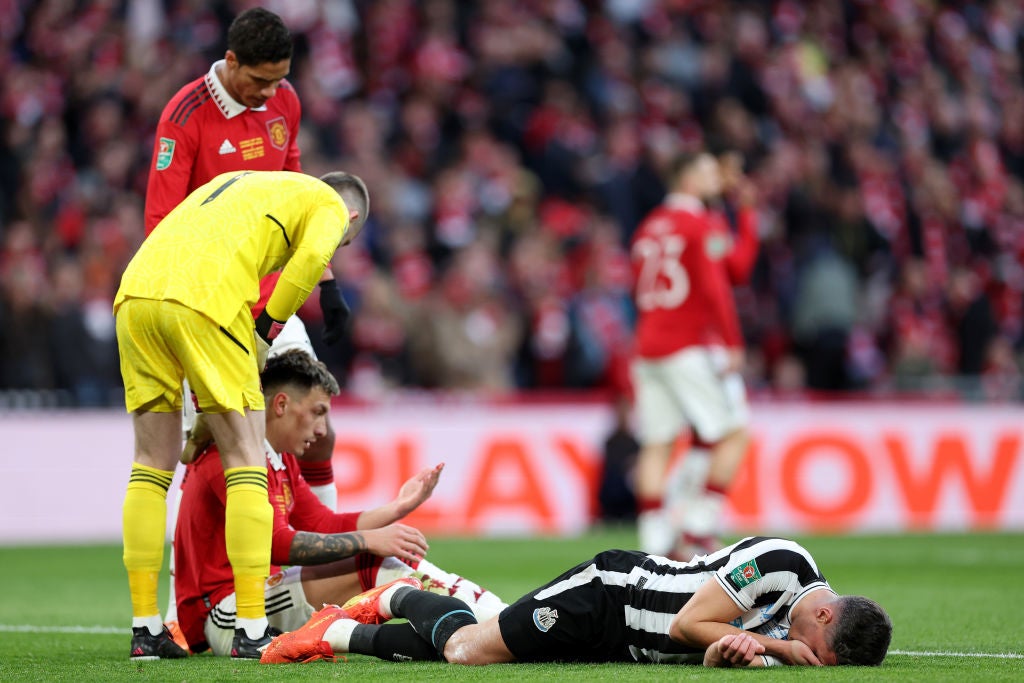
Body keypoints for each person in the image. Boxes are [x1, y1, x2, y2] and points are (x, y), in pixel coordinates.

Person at [114, 169, 369, 659]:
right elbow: (313, 255)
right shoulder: (329, 203)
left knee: (151, 462)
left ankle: (146, 628)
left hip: (136, 294)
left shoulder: (243, 182)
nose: (338, 247)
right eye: (346, 240)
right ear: (350, 216)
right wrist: (267, 328)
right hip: (208, 301)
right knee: (247, 459)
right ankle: (252, 628)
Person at [173, 349, 506, 655]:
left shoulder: (276, 458)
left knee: (379, 560)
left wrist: (398, 507)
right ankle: (504, 625)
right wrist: (369, 541)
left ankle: (496, 622)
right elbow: (273, 543)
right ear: (281, 405)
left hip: (257, 604)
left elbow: (321, 524)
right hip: (229, 616)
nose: (321, 430)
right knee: (374, 562)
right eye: (318, 412)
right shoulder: (228, 457)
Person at [145, 5, 347, 509]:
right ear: (231, 61)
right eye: (260, 80)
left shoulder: (285, 103)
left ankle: (324, 563)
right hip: (210, 311)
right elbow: (161, 226)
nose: (269, 93)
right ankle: (189, 588)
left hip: (272, 301)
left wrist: (325, 279)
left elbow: (299, 197)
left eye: (280, 81)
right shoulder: (185, 115)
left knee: (318, 429)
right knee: (223, 456)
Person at [261, 536, 891, 667]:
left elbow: (705, 649)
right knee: (464, 651)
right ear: (826, 615)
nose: (802, 660)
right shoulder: (783, 563)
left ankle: (336, 635)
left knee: (486, 647)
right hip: (610, 595)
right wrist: (777, 646)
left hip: (625, 647)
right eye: (812, 651)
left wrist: (735, 656)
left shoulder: (802, 626)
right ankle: (396, 594)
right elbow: (686, 622)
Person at [628, 151, 758, 559]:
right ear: (686, 179)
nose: (714, 177)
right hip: (687, 344)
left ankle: (653, 540)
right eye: (705, 170)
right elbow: (723, 281)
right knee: (733, 431)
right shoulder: (699, 224)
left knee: (658, 442)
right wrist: (733, 340)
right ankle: (699, 528)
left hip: (648, 345)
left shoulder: (647, 228)